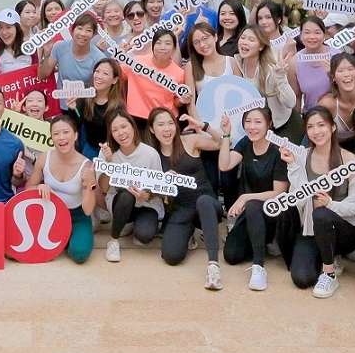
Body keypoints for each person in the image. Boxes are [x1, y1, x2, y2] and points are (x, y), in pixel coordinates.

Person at [285, 107, 355, 295]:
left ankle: (329, 274)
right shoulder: (301, 156)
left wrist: (330, 204)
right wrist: (292, 166)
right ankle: (326, 254)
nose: (316, 131)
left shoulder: (350, 160)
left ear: (333, 127)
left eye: (321, 125)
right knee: (302, 278)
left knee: (322, 213)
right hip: (312, 229)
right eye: (311, 127)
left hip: (345, 230)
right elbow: (298, 198)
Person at [147, 106, 223, 287]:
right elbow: (154, 192)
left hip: (207, 204)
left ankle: (213, 265)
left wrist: (203, 126)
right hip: (182, 209)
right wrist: (165, 183)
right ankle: (188, 235)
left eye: (170, 123)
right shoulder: (152, 155)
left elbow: (222, 143)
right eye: (161, 125)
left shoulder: (189, 141)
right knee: (170, 256)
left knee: (203, 201)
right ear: (151, 129)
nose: (167, 129)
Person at [218, 105, 288, 291]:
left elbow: (279, 192)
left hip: (274, 211)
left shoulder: (278, 149)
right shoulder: (245, 143)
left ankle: (259, 267)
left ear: (269, 124)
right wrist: (226, 135)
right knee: (231, 255)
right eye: (248, 121)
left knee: (254, 206)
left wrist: (245, 198)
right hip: (250, 213)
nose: (252, 126)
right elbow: (225, 165)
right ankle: (262, 240)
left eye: (258, 122)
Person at [100, 110, 164, 261]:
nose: (120, 133)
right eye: (115, 130)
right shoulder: (107, 151)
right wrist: (108, 163)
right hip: (121, 201)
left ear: (133, 127)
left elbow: (159, 188)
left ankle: (134, 225)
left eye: (124, 126)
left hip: (146, 203)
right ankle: (113, 241)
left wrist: (145, 195)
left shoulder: (150, 154)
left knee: (144, 237)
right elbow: (103, 188)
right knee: (126, 195)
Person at [35, 112, 97, 264]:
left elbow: (88, 210)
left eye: (66, 132)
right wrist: (40, 186)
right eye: (56, 134)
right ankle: (65, 236)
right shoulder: (44, 158)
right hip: (50, 214)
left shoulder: (86, 165)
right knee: (37, 248)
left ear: (75, 136)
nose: (61, 137)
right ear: (52, 138)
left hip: (78, 216)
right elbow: (30, 186)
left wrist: (89, 184)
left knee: (79, 254)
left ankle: (75, 235)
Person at [122, 28, 190, 121]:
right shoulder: (137, 62)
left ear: (174, 49)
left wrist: (182, 101)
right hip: (137, 118)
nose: (162, 47)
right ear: (152, 46)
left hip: (166, 119)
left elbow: (176, 101)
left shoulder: (180, 73)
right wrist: (120, 54)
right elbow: (116, 75)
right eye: (158, 43)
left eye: (168, 43)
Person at [44, 10, 104, 88]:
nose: (83, 34)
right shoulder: (59, 47)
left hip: (85, 99)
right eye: (80, 28)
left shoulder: (99, 58)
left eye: (88, 30)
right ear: (72, 30)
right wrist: (46, 53)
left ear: (93, 34)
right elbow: (43, 75)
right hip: (61, 98)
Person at [292, 17, 334, 114]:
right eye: (307, 32)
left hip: (335, 114)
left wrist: (332, 76)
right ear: (301, 36)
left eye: (317, 32)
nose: (312, 37)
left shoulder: (336, 56)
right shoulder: (294, 62)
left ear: (324, 36)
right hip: (309, 115)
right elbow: (296, 97)